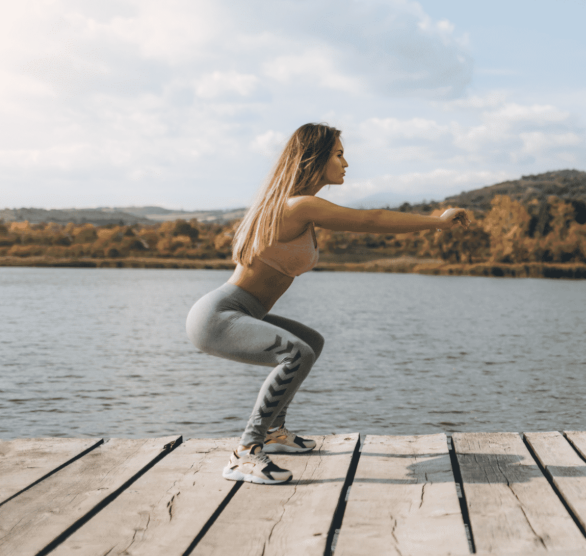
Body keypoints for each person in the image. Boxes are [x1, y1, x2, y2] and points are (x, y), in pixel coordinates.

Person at [186, 122, 470, 485]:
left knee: (311, 343)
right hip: (219, 316)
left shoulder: (297, 207)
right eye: (338, 154)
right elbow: (371, 219)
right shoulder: (298, 206)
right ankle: (245, 452)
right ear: (314, 159)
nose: (346, 162)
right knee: (297, 353)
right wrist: (437, 222)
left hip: (235, 311)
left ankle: (274, 433)